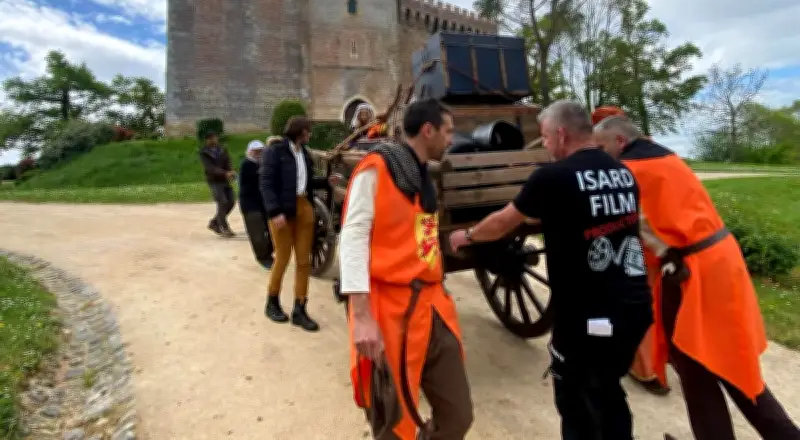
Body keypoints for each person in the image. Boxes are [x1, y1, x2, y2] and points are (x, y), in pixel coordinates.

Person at [449, 100, 653, 440]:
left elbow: (502, 223)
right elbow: (584, 214)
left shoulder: (553, 176)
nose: (543, 145)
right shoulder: (623, 172)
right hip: (634, 309)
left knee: (576, 403)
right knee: (607, 393)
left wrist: (467, 235)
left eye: (544, 138)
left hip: (588, 318)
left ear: (561, 134)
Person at [593, 116, 800, 440]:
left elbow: (631, 222)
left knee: (704, 358)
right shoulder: (667, 157)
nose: (600, 153)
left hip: (694, 267)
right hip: (717, 257)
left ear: (619, 141)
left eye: (602, 146)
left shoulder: (630, 170)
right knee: (716, 356)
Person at [338, 98, 473, 440]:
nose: (452, 139)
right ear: (428, 131)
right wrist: (362, 315)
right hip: (388, 310)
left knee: (458, 416)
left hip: (431, 306)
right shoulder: (377, 168)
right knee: (394, 425)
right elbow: (352, 238)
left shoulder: (422, 172)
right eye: (448, 131)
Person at [590, 106, 670, 396]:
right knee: (662, 302)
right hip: (673, 241)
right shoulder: (660, 152)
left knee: (638, 303)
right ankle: (666, 358)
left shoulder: (622, 167)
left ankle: (648, 370)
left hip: (646, 242)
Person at [260, 116, 334, 332]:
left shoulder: (305, 154)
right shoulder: (275, 151)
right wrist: (274, 211)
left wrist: (327, 182)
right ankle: (272, 302)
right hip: (282, 210)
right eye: (307, 131)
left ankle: (300, 309)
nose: (309, 135)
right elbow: (265, 182)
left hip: (304, 208)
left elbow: (307, 181)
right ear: (299, 131)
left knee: (304, 261)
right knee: (282, 258)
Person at [238, 140, 274, 269]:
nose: (259, 153)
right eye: (256, 151)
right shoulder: (247, 165)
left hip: (263, 204)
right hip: (250, 205)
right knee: (257, 234)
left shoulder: (261, 164)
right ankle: (263, 258)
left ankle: (268, 254)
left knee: (271, 232)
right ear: (250, 152)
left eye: (261, 151)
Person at [199, 130, 236, 237]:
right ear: (207, 140)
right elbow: (210, 168)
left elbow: (228, 162)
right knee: (222, 202)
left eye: (215, 137)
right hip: (214, 181)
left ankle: (214, 222)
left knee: (231, 202)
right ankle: (224, 227)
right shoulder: (204, 153)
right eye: (211, 138)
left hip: (225, 180)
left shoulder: (222, 150)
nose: (214, 139)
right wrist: (225, 173)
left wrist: (231, 172)